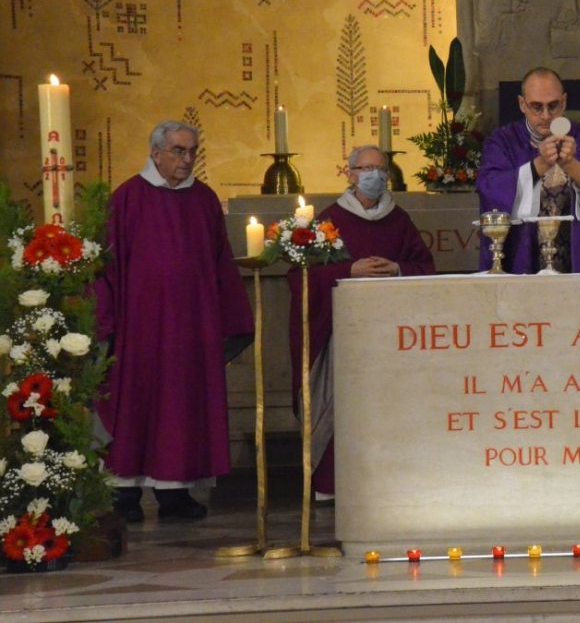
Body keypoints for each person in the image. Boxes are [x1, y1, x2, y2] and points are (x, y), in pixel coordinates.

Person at [95, 121, 253, 522]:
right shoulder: (127, 198)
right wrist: (104, 321)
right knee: (134, 402)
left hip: (191, 328)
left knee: (181, 408)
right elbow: (107, 265)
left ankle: (175, 492)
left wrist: (229, 317)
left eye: (192, 152)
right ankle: (123, 493)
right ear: (156, 153)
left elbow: (219, 260)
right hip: (139, 328)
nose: (186, 160)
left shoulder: (203, 200)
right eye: (178, 151)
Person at [288, 145, 435, 501]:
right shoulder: (327, 220)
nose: (374, 176)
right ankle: (332, 484)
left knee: (387, 409)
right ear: (350, 174)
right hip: (342, 336)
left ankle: (388, 480)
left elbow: (425, 268)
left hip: (390, 336)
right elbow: (299, 276)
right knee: (344, 406)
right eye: (366, 168)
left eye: (381, 169)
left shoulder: (399, 220)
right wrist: (348, 270)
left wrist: (397, 269)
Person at [477, 67, 580, 273]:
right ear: (522, 104)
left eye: (553, 106)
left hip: (577, 267)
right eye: (536, 107)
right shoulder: (503, 141)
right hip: (521, 265)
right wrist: (539, 165)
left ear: (564, 101)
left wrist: (572, 165)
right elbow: (489, 189)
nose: (546, 115)